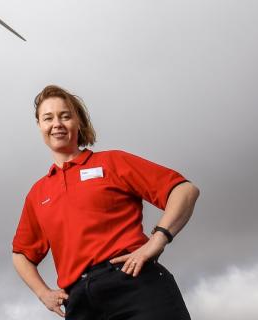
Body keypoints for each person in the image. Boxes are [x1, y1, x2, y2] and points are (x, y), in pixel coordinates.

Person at [12, 85, 199, 319]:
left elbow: (184, 190)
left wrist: (158, 239)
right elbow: (21, 254)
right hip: (81, 303)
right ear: (40, 126)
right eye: (48, 118)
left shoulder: (111, 162)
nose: (57, 124)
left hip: (134, 283)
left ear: (78, 122)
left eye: (65, 116)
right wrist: (43, 293)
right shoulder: (38, 193)